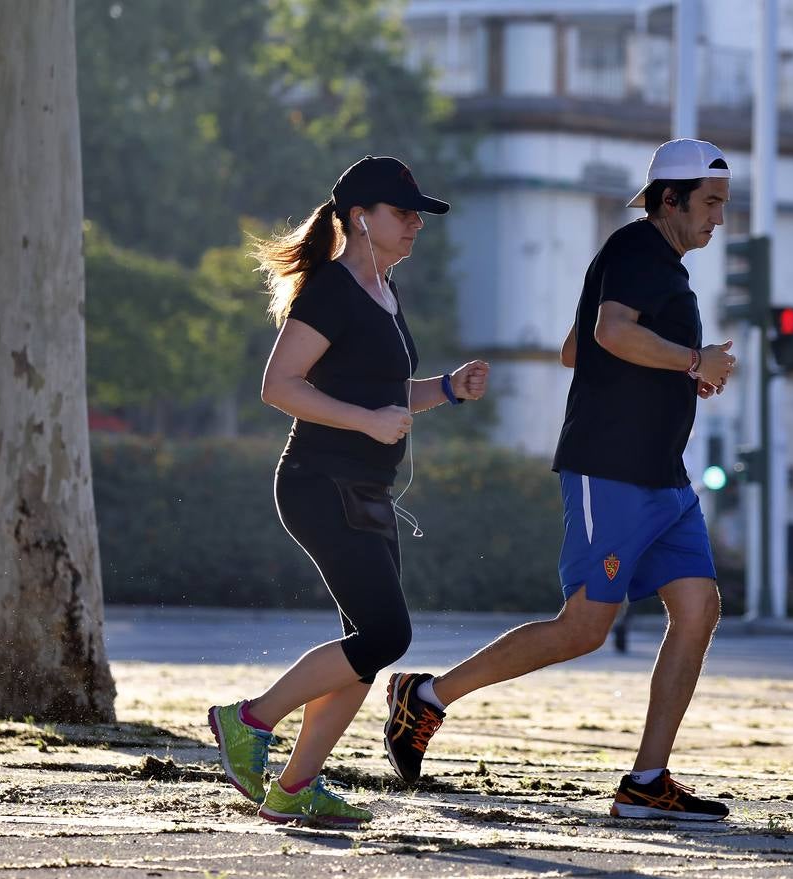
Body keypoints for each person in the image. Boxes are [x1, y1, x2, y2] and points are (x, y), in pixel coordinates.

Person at [381, 138, 737, 821]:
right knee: (582, 628)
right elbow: (606, 335)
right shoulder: (639, 251)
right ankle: (424, 699)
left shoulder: (652, 262)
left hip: (662, 477)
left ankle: (646, 781)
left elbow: (578, 348)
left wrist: (669, 374)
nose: (719, 219)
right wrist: (693, 360)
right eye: (711, 204)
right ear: (671, 199)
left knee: (699, 608)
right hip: (613, 472)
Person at [206, 156, 489, 826]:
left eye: (419, 212)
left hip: (365, 489)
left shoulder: (386, 293)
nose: (416, 223)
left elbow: (386, 397)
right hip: (319, 483)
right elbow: (280, 386)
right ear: (361, 218)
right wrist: (366, 420)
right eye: (403, 212)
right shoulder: (332, 290)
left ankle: (296, 787)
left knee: (360, 647)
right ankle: (248, 720)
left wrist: (446, 389)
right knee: (386, 634)